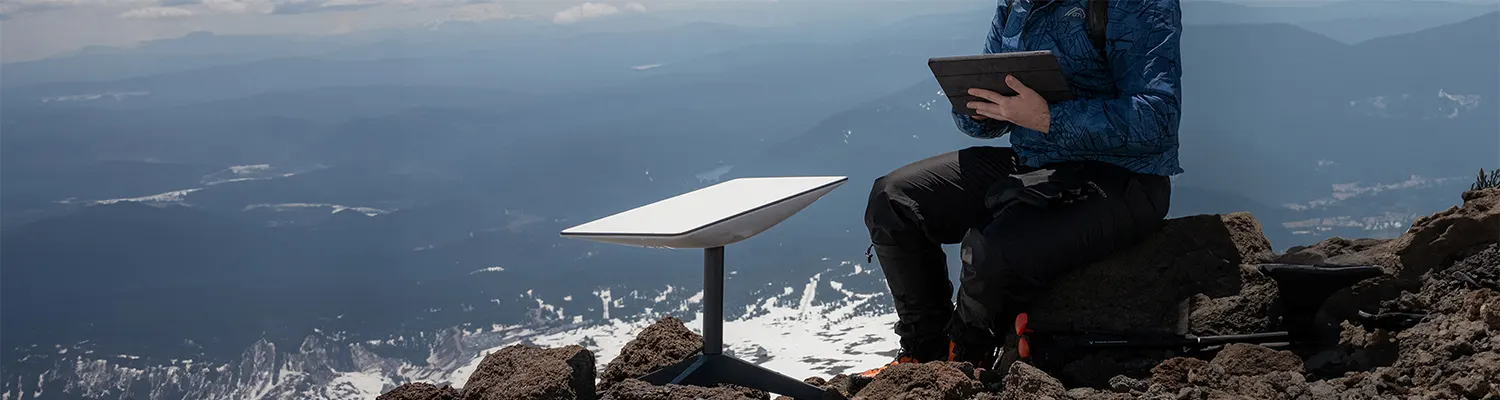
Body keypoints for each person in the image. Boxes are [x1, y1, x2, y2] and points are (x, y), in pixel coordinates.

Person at [860, 0, 1183, 376]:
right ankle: (922, 352)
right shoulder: (1017, 3)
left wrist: (1048, 118)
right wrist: (979, 109)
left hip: (1123, 179)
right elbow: (986, 114)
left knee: (992, 252)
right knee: (894, 199)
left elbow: (1158, 118)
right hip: (1035, 161)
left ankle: (962, 360)